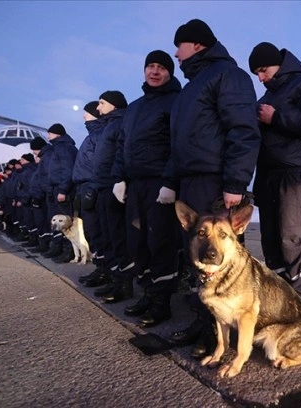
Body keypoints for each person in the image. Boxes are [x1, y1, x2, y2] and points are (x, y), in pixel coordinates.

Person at [163, 19, 260, 357]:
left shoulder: (228, 76)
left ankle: (227, 333)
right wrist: (170, 183)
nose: (176, 53)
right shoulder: (191, 87)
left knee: (222, 261)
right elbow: (180, 143)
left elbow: (243, 131)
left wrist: (235, 182)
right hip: (191, 182)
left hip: (216, 181)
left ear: (198, 45)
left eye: (180, 45)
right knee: (197, 260)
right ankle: (207, 324)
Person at [247, 41, 301, 297]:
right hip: (267, 173)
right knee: (269, 239)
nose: (261, 78)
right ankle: (276, 296)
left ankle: (298, 297)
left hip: (294, 173)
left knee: (290, 236)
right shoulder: (265, 97)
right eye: (257, 74)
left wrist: (276, 117)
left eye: (263, 70)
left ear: (278, 64)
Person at [111, 50, 182, 327]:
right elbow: (121, 145)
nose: (154, 71)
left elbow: (179, 144)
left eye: (161, 67)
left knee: (160, 242)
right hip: (135, 186)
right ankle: (148, 292)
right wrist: (119, 177)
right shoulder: (134, 107)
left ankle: (161, 302)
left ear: (169, 72)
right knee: (137, 243)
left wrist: (170, 182)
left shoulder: (176, 102)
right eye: (150, 66)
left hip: (158, 184)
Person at [89, 90, 133, 303]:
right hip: (103, 187)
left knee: (118, 237)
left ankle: (124, 284)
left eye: (102, 103)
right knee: (108, 236)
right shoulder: (109, 125)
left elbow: (122, 154)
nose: (98, 108)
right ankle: (114, 278)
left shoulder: (120, 123)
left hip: (113, 186)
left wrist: (119, 179)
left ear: (113, 105)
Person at [74, 101, 107, 283]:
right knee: (91, 230)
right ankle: (100, 267)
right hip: (85, 186)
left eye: (86, 112)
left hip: (92, 186)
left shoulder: (99, 134)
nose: (83, 116)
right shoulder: (93, 135)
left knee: (97, 230)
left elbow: (99, 164)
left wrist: (92, 188)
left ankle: (105, 270)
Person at [39, 123, 78, 259]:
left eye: (50, 133)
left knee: (65, 222)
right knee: (57, 222)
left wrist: (63, 190)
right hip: (56, 189)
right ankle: (58, 247)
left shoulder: (64, 148)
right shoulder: (56, 148)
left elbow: (68, 170)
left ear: (57, 134)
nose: (48, 136)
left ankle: (69, 250)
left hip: (62, 190)